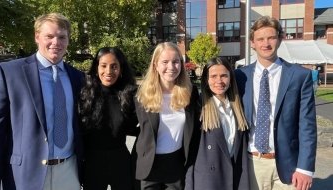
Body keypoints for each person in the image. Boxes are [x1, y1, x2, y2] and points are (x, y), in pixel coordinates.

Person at [0, 13, 84, 190]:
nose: (56, 42)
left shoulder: (78, 77)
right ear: (37, 37)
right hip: (24, 177)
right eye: (49, 36)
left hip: (69, 173)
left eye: (62, 37)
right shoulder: (10, 73)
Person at [235, 16, 317, 190]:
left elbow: (307, 126)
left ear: (280, 39)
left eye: (271, 37)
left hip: (290, 166)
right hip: (252, 163)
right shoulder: (240, 77)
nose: (266, 43)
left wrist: (305, 168)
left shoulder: (299, 76)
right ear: (252, 43)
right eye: (260, 39)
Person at [133, 42, 200, 190]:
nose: (171, 67)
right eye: (165, 62)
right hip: (149, 167)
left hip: (176, 166)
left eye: (175, 62)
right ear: (155, 65)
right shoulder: (141, 95)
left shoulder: (190, 93)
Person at [78, 47, 138, 190]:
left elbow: (140, 124)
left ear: (121, 68)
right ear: (96, 67)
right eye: (103, 66)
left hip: (120, 159)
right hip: (92, 161)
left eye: (114, 66)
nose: (109, 72)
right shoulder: (85, 93)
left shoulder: (130, 95)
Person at [185, 57, 249, 190]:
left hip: (235, 177)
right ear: (206, 81)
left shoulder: (238, 107)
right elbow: (190, 152)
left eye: (224, 76)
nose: (219, 81)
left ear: (231, 79)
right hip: (208, 181)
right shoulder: (198, 107)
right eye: (213, 76)